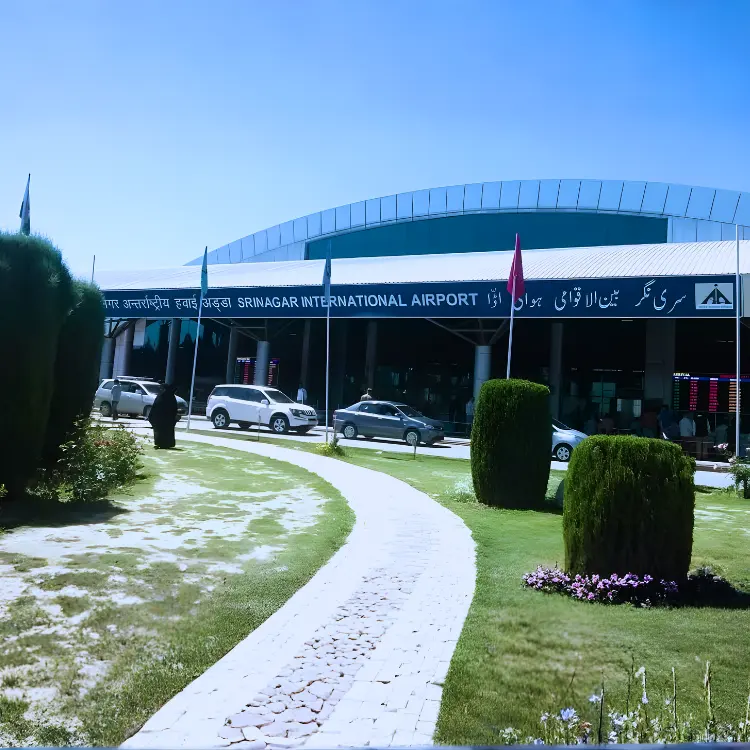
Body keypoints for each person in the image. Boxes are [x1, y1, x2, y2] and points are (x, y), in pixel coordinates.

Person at [148, 383, 178, 449]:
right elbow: (155, 407)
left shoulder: (166, 396)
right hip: (163, 419)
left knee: (163, 431)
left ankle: (163, 443)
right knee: (162, 431)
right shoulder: (168, 396)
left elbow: (174, 409)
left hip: (165, 419)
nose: (161, 390)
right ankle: (162, 443)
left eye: (162, 389)